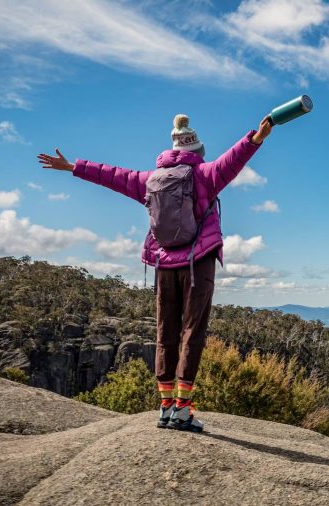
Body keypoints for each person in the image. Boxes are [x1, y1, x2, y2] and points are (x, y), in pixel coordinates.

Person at [37, 114, 273, 432]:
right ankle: (183, 410)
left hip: (164, 264)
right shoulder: (204, 174)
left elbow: (112, 175)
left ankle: (164, 408)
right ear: (197, 150)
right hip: (197, 262)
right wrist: (255, 137)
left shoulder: (150, 179)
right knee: (192, 333)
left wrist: (73, 166)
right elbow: (234, 159)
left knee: (165, 333)